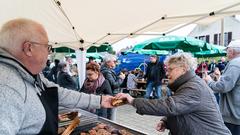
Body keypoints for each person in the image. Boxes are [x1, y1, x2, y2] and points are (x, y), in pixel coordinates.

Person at [0, 18, 113, 134]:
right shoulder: (6, 87)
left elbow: (59, 93)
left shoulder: (31, 74)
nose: (49, 53)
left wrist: (99, 100)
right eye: (47, 47)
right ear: (29, 48)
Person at [116, 53, 231, 135]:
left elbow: (170, 106)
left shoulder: (194, 87)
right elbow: (182, 107)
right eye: (166, 69)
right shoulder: (187, 84)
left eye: (170, 69)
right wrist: (166, 121)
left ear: (184, 69)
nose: (167, 73)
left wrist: (133, 101)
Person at [204, 39, 240, 135]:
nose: (226, 54)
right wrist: (219, 78)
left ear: (231, 51)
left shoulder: (235, 64)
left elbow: (223, 87)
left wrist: (209, 81)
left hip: (233, 116)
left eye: (227, 51)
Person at [101, 54, 125, 121]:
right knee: (111, 115)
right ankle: (111, 128)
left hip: (108, 94)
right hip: (111, 95)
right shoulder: (107, 72)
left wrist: (118, 77)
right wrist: (121, 78)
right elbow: (114, 85)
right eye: (114, 61)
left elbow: (111, 82)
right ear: (108, 62)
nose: (115, 63)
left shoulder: (106, 70)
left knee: (109, 114)